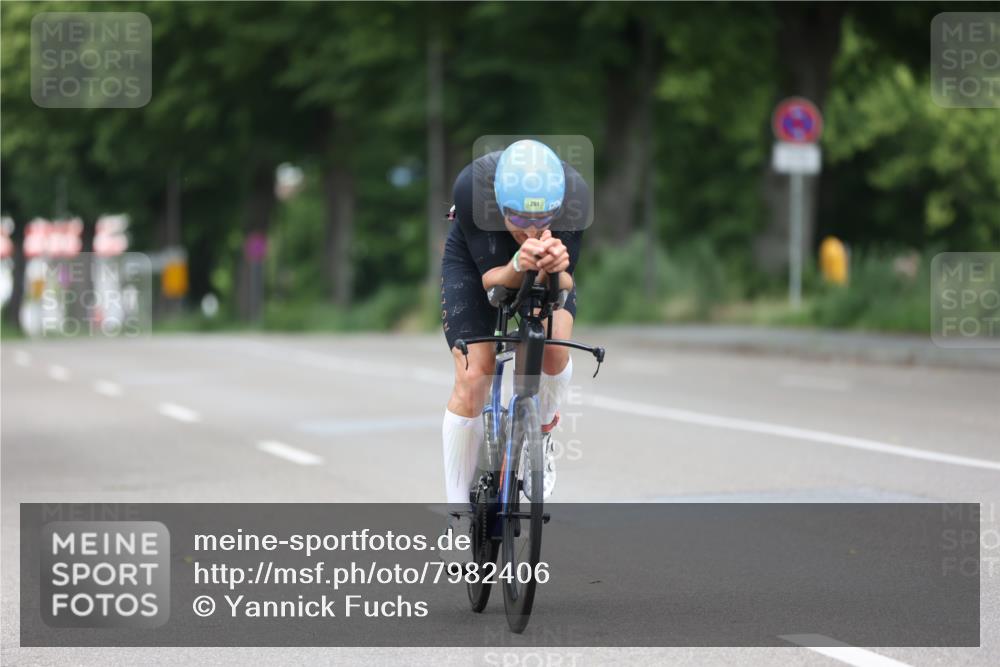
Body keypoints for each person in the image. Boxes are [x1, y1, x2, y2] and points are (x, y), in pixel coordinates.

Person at [439, 139, 590, 562]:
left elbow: (566, 286)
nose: (531, 229)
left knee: (552, 351)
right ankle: (457, 517)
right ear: (501, 206)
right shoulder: (473, 190)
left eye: (543, 219)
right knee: (475, 374)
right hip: (480, 266)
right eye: (520, 219)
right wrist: (520, 262)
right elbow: (493, 282)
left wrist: (556, 267)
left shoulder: (574, 196)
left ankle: (539, 434)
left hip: (541, 271)